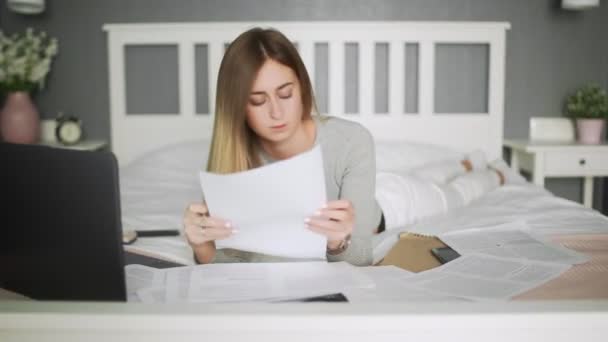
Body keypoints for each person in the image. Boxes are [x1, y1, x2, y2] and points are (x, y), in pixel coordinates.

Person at [182, 27, 383, 266]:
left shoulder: (351, 142)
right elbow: (228, 267)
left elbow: (361, 261)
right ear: (238, 108)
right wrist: (202, 247)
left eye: (286, 94)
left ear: (302, 88)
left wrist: (338, 242)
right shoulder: (232, 155)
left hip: (384, 207)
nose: (276, 113)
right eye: (257, 101)